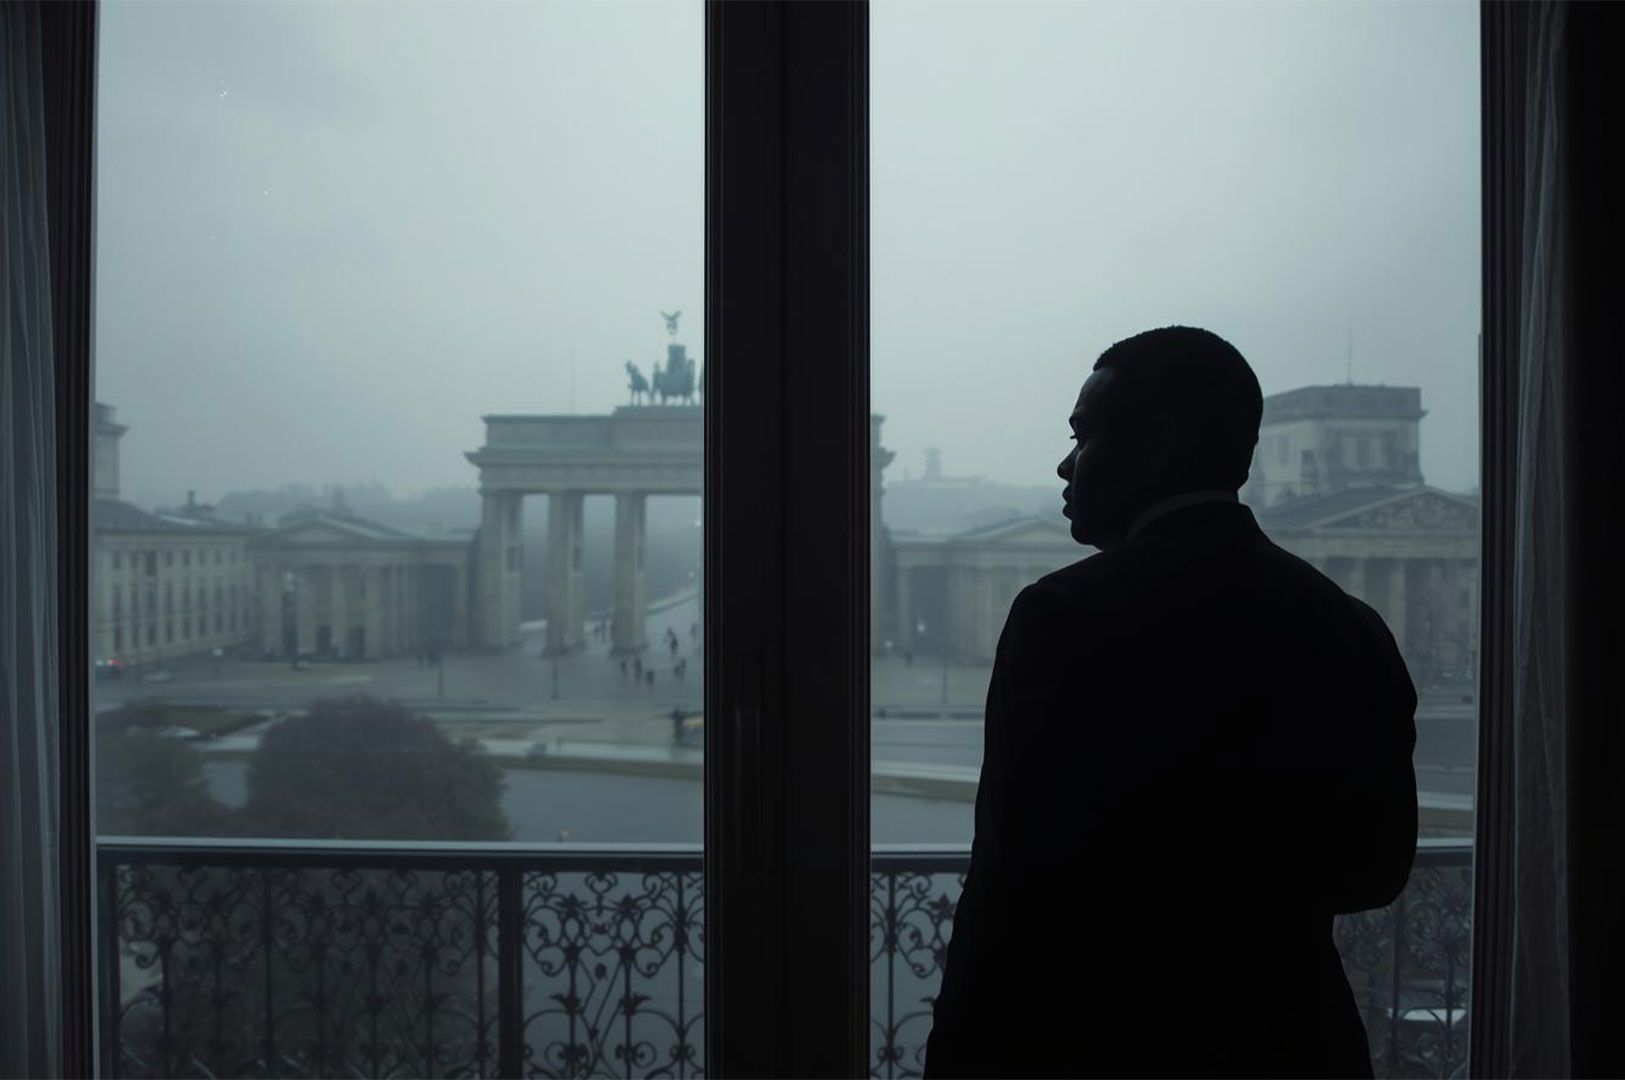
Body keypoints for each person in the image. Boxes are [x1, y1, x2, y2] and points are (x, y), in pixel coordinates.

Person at [924, 327, 1417, 1079]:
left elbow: (1009, 883)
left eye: (1083, 436)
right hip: (1291, 1047)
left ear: (1156, 443)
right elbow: (1376, 869)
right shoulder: (1347, 624)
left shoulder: (1065, 616)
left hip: (1101, 1046)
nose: (1064, 464)